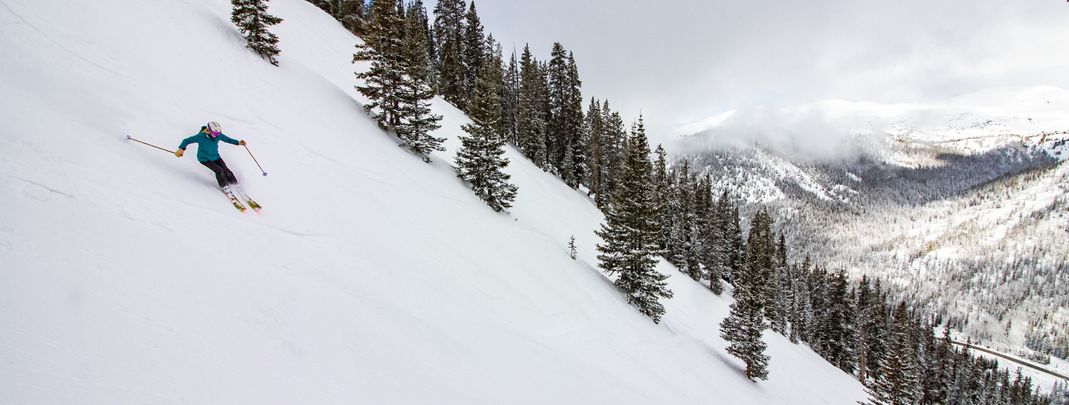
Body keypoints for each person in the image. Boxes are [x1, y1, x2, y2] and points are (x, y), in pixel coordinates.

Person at [176, 121, 247, 190]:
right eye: (215, 133)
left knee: (225, 169)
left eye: (218, 133)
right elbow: (187, 140)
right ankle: (224, 186)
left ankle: (235, 183)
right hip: (204, 159)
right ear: (209, 130)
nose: (216, 135)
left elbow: (227, 139)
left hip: (215, 156)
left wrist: (238, 142)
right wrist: (181, 149)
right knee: (219, 170)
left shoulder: (218, 136)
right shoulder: (201, 136)